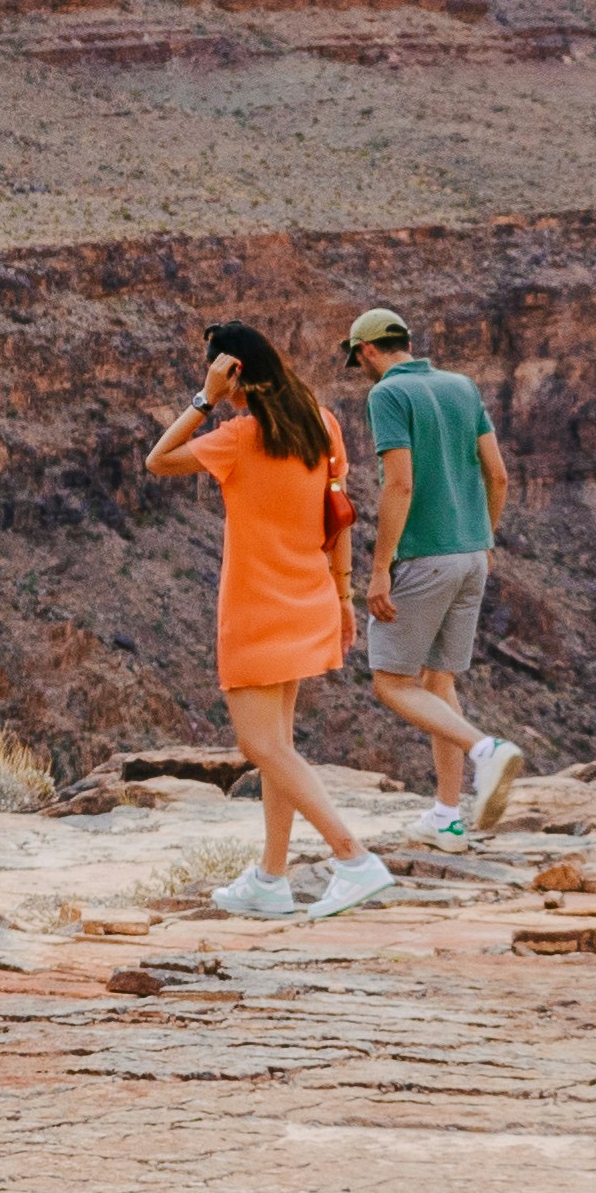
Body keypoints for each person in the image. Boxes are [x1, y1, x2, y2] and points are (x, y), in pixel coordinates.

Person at [143, 319, 385, 918]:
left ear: (234, 372)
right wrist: (343, 597)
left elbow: (158, 460)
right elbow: (340, 515)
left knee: (259, 745)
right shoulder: (321, 423)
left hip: (254, 611)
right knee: (279, 747)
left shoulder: (238, 436)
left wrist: (205, 398)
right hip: (309, 599)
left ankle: (354, 859)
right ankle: (271, 879)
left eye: (218, 371)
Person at [341, 305, 525, 837]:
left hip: (424, 557)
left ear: (367, 350)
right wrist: (484, 537)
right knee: (438, 682)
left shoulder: (388, 394)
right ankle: (447, 818)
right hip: (472, 556)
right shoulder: (461, 386)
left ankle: (486, 749)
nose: (360, 369)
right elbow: (499, 475)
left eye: (358, 359)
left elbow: (399, 484)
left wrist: (379, 569)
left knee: (391, 682)